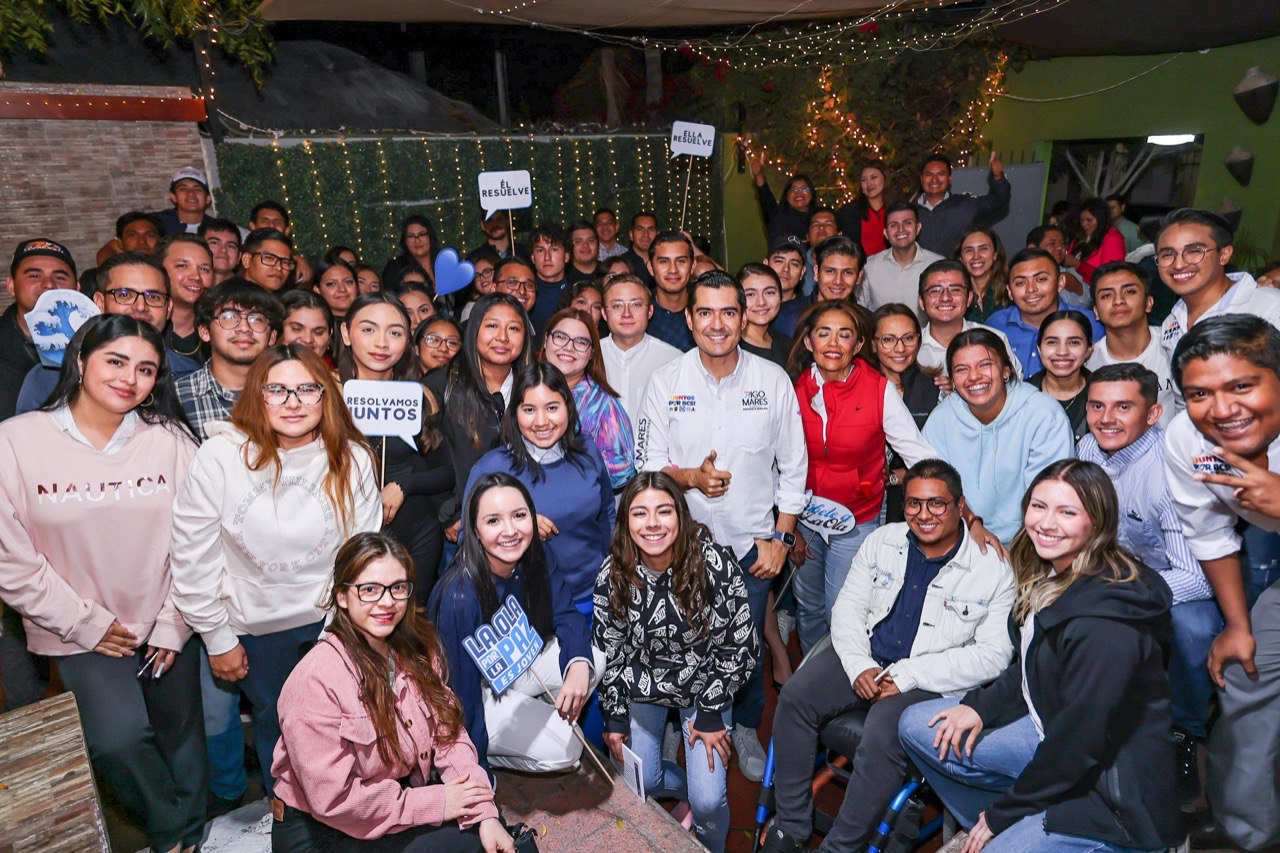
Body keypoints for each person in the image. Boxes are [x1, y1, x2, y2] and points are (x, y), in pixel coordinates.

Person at [899, 460, 1182, 853]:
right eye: (1039, 506)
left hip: (1107, 790)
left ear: (1097, 522)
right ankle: (1007, 819)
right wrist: (979, 707)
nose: (1047, 523)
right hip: (1049, 730)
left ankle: (1011, 822)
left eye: (1067, 512)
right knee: (918, 724)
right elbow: (1035, 666)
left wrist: (1003, 815)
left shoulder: (1107, 626)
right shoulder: (1052, 572)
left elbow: (1078, 745)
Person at [0, 315, 206, 853]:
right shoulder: (15, 442)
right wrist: (85, 623)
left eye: (145, 369)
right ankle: (169, 826)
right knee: (117, 741)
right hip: (75, 629)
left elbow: (201, 538)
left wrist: (174, 620)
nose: (129, 379)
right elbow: (10, 559)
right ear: (81, 360)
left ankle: (184, 839)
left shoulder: (170, 439)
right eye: (116, 361)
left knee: (181, 739)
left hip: (167, 620)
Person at [762, 460, 1015, 853]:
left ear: (960, 506)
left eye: (937, 504)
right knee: (795, 696)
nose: (924, 515)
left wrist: (908, 676)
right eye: (914, 504)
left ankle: (840, 847)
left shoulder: (992, 568)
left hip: (930, 680)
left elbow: (995, 655)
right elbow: (847, 610)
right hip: (867, 656)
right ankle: (792, 828)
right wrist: (860, 663)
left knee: (882, 731)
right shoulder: (883, 540)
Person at [170, 344, 383, 798]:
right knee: (279, 729)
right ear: (257, 395)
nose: (293, 402)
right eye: (278, 390)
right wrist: (217, 637)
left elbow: (363, 555)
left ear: (326, 396)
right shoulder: (220, 457)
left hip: (333, 626)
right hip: (256, 630)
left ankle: (348, 821)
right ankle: (289, 825)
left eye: (308, 389)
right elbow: (192, 555)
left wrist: (348, 631)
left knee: (346, 729)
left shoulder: (353, 457)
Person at [636, 270, 807, 781]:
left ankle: (748, 728)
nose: (717, 323)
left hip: (752, 548)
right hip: (677, 548)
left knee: (745, 645)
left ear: (744, 316)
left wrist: (782, 536)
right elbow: (647, 466)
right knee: (673, 640)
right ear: (688, 319)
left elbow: (794, 467)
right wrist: (689, 477)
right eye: (705, 312)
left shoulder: (771, 380)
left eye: (728, 312)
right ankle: (673, 727)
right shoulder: (666, 382)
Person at [271, 532, 512, 853]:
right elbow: (334, 801)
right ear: (342, 597)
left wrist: (484, 813)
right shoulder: (315, 681)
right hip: (319, 831)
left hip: (390, 798)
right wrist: (437, 802)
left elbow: (449, 735)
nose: (387, 602)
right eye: (369, 590)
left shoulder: (417, 650)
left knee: (486, 834)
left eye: (397, 588)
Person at [1075, 363, 1220, 803]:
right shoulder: (1086, 450)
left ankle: (1187, 731)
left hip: (1183, 581)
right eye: (1097, 405)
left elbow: (1197, 577)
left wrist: (1122, 594)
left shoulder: (1170, 474)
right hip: (1112, 573)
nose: (1106, 418)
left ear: (1154, 414)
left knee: (1192, 630)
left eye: (1123, 407)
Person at [595, 472, 758, 853]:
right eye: (639, 513)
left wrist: (713, 713)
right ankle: (688, 786)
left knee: (707, 802)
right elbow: (611, 648)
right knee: (642, 784)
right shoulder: (613, 572)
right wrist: (615, 717)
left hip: (706, 688)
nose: (652, 524)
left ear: (681, 516)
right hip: (644, 685)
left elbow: (742, 643)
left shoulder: (713, 563)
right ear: (625, 522)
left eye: (664, 511)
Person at [1164, 316, 1280, 850]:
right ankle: (1245, 836)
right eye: (1199, 393)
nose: (1223, 409)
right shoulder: (1187, 437)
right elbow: (1209, 535)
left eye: (1241, 386)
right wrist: (1236, 625)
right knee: (1246, 679)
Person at [787, 300, 937, 650]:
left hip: (857, 519)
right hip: (803, 519)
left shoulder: (878, 389)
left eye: (845, 335)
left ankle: (840, 687)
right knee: (809, 609)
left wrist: (961, 509)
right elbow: (778, 464)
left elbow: (918, 453)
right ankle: (812, 682)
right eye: (824, 334)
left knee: (842, 614)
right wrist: (786, 527)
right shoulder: (791, 390)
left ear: (858, 346)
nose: (834, 343)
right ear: (809, 342)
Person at [430, 472, 601, 774]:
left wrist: (576, 665)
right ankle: (495, 755)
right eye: (493, 520)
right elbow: (459, 698)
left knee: (592, 660)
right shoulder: (458, 597)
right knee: (568, 749)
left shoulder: (536, 553)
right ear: (475, 530)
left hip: (520, 666)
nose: (509, 530)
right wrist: (476, 774)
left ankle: (532, 719)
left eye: (519, 515)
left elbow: (567, 614)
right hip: (478, 692)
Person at [464, 363, 615, 609]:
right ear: (514, 413)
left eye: (552, 407)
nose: (542, 421)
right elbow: (468, 542)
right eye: (529, 409)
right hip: (525, 605)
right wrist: (517, 525)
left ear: (568, 407)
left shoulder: (587, 450)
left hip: (595, 595)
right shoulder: (491, 468)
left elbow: (608, 513)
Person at [338, 293, 449, 595]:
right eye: (369, 329)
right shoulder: (327, 396)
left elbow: (446, 472)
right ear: (346, 333)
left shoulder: (420, 397)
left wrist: (404, 485)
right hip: (346, 533)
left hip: (417, 535)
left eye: (395, 332)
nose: (382, 343)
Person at [924, 328, 1073, 543]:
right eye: (961, 369)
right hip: (962, 537)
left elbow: (1050, 498)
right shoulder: (940, 421)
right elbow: (935, 491)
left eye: (985, 365)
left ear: (1006, 370)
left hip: (1034, 541)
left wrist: (1016, 555)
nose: (974, 377)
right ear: (952, 380)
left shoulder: (1044, 415)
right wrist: (972, 525)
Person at [17, 253, 202, 413]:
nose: (140, 306)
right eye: (124, 295)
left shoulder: (189, 374)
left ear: (168, 308)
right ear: (99, 303)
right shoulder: (52, 375)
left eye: (153, 297)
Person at [441, 293, 534, 528]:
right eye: (492, 325)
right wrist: (449, 512)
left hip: (525, 520)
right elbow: (434, 461)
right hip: (461, 522)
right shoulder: (444, 385)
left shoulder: (535, 389)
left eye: (513, 328)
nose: (502, 337)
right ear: (474, 330)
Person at [1155, 208, 1280, 378]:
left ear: (1224, 255)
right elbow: (1181, 400)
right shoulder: (1172, 323)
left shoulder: (1269, 308)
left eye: (1194, 251)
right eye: (1167, 254)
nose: (1178, 264)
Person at [175, 279, 282, 441]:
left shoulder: (288, 395)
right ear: (204, 331)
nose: (244, 328)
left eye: (256, 319)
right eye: (230, 316)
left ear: (272, 336)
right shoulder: (177, 396)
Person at [542, 310, 635, 492]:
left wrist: (565, 473)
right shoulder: (525, 390)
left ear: (592, 353)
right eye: (561, 337)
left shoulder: (603, 405)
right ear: (546, 340)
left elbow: (623, 469)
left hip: (580, 511)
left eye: (581, 342)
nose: (569, 347)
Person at [871, 304, 945, 522]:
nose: (900, 348)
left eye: (908, 338)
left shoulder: (937, 389)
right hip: (870, 506)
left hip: (924, 503)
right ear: (873, 345)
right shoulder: (861, 389)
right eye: (888, 339)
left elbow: (946, 455)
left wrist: (896, 477)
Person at [986, 248, 1103, 377]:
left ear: (1060, 283)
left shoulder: (1091, 323)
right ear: (1009, 291)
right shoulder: (995, 325)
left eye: (1041, 279)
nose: (1031, 289)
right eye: (1020, 283)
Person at [1084, 261, 1175, 425]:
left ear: (1149, 303)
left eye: (1130, 291)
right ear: (1096, 311)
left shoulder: (1173, 346)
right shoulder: (1087, 363)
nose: (1118, 301)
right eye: (1106, 295)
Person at [1, 238, 79, 420]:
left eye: (60, 277)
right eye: (34, 276)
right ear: (11, 285)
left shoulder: (98, 344)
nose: (49, 284)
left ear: (77, 288)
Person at [916, 259, 1023, 379]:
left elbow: (1016, 387)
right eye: (935, 291)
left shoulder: (993, 339)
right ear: (921, 302)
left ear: (969, 298)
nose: (945, 298)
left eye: (955, 290)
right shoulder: (910, 347)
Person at [598, 273, 682, 425]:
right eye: (617, 306)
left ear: (650, 311)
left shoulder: (673, 360)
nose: (627, 314)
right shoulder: (588, 357)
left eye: (636, 304)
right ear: (604, 313)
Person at [912, 153, 1010, 257]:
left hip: (958, 271)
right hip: (921, 272)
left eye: (941, 174)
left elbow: (998, 200)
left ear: (950, 178)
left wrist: (998, 176)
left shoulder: (965, 205)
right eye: (929, 175)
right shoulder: (909, 212)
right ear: (921, 178)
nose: (934, 179)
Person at [861, 201, 943, 316]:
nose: (901, 229)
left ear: (918, 228)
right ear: (885, 233)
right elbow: (860, 312)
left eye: (908, 223)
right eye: (893, 225)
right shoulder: (869, 266)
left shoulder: (937, 265)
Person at [1027, 309, 1094, 441]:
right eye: (1052, 342)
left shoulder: (1105, 395)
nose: (1062, 352)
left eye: (1074, 342)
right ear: (1039, 349)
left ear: (1089, 349)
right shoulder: (1021, 397)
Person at [157, 233, 215, 363]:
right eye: (182, 266)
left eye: (204, 269)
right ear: (158, 270)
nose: (196, 276)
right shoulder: (141, 328)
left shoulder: (220, 331)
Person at [646, 231, 698, 352]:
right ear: (650, 268)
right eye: (664, 261)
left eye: (681, 261)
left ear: (693, 266)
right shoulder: (640, 313)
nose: (673, 270)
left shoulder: (706, 309)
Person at [750, 154, 818, 245]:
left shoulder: (820, 219)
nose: (799, 193)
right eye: (794, 189)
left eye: (804, 189)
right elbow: (765, 198)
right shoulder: (777, 217)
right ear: (787, 195)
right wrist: (759, 175)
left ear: (812, 193)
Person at [1063, 197, 1126, 287]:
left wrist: (1078, 265)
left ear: (1101, 219)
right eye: (1082, 220)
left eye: (1089, 220)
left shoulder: (1113, 239)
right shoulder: (1079, 238)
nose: (1084, 224)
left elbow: (1109, 275)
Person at [738, 263, 792, 366]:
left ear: (780, 297)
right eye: (750, 294)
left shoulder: (788, 346)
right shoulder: (730, 347)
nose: (761, 302)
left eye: (769, 292)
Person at [1026, 223, 1090, 308]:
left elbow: (1089, 302)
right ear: (1033, 248)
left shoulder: (1071, 272)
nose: (1059, 248)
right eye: (1052, 243)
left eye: (1062, 243)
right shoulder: (1024, 275)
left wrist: (1078, 288)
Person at [836, 160, 890, 258]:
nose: (869, 184)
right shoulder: (849, 212)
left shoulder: (895, 211)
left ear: (885, 179)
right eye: (864, 180)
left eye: (874, 177)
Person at [955, 226, 1009, 322]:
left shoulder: (1010, 292)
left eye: (983, 249)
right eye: (969, 250)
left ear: (995, 254)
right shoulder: (954, 296)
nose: (976, 256)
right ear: (961, 259)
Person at [528, 223, 571, 331]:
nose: (547, 257)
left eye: (554, 249)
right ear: (533, 258)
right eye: (540, 250)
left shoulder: (575, 294)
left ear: (566, 256)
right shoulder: (524, 294)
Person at [153, 166, 214, 236]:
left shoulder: (217, 229)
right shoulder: (155, 224)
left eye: (197, 189)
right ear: (173, 197)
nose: (191, 193)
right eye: (183, 189)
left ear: (208, 199)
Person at [383, 215, 439, 287]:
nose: (417, 240)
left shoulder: (444, 265)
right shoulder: (395, 269)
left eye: (422, 234)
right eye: (411, 236)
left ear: (430, 237)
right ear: (405, 241)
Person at [279, 289, 334, 363]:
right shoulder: (260, 372)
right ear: (275, 333)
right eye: (297, 329)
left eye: (318, 332)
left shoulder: (341, 373)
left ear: (329, 337)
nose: (307, 339)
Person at [797, 208, 840, 302]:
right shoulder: (797, 264)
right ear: (807, 237)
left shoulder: (849, 265)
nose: (821, 227)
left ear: (839, 234)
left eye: (828, 224)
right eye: (816, 224)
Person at [239, 228, 296, 293]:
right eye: (269, 258)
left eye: (285, 262)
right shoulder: (229, 299)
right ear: (246, 260)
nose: (279, 267)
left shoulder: (286, 302)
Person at [307, 257, 357, 330]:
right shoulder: (311, 325)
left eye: (348, 282)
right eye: (331, 284)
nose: (342, 289)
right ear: (317, 290)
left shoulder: (371, 320)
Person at [765, 235, 808, 310]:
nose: (785, 269)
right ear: (766, 264)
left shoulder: (808, 313)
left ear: (802, 272)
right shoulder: (749, 306)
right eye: (779, 261)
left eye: (794, 264)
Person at [199, 218, 242, 287]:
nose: (223, 250)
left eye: (230, 246)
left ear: (239, 257)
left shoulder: (247, 294)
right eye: (214, 243)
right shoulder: (184, 288)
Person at [621, 212, 660, 287]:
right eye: (640, 229)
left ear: (657, 234)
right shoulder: (622, 264)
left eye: (651, 229)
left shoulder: (664, 262)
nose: (645, 234)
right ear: (631, 235)